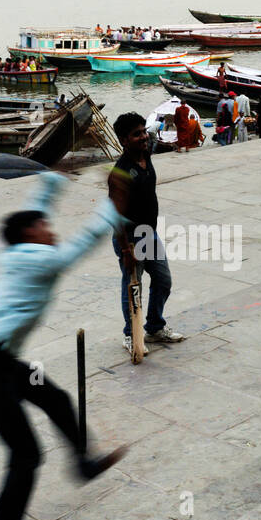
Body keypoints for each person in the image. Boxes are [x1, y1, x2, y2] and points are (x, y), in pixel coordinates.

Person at [0, 174, 128, 520]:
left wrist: (51, 183)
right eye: (43, 227)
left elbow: (34, 213)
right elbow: (80, 245)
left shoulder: (17, 252)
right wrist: (111, 211)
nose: (49, 229)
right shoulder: (40, 263)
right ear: (29, 237)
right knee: (26, 455)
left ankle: (83, 462)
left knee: (55, 399)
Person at [108, 112, 187, 355]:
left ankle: (154, 327)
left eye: (143, 131)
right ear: (123, 140)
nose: (143, 137)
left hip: (149, 234)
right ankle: (131, 335)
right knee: (133, 288)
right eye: (136, 134)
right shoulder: (120, 174)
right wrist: (125, 249)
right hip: (130, 240)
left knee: (163, 280)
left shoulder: (147, 153)